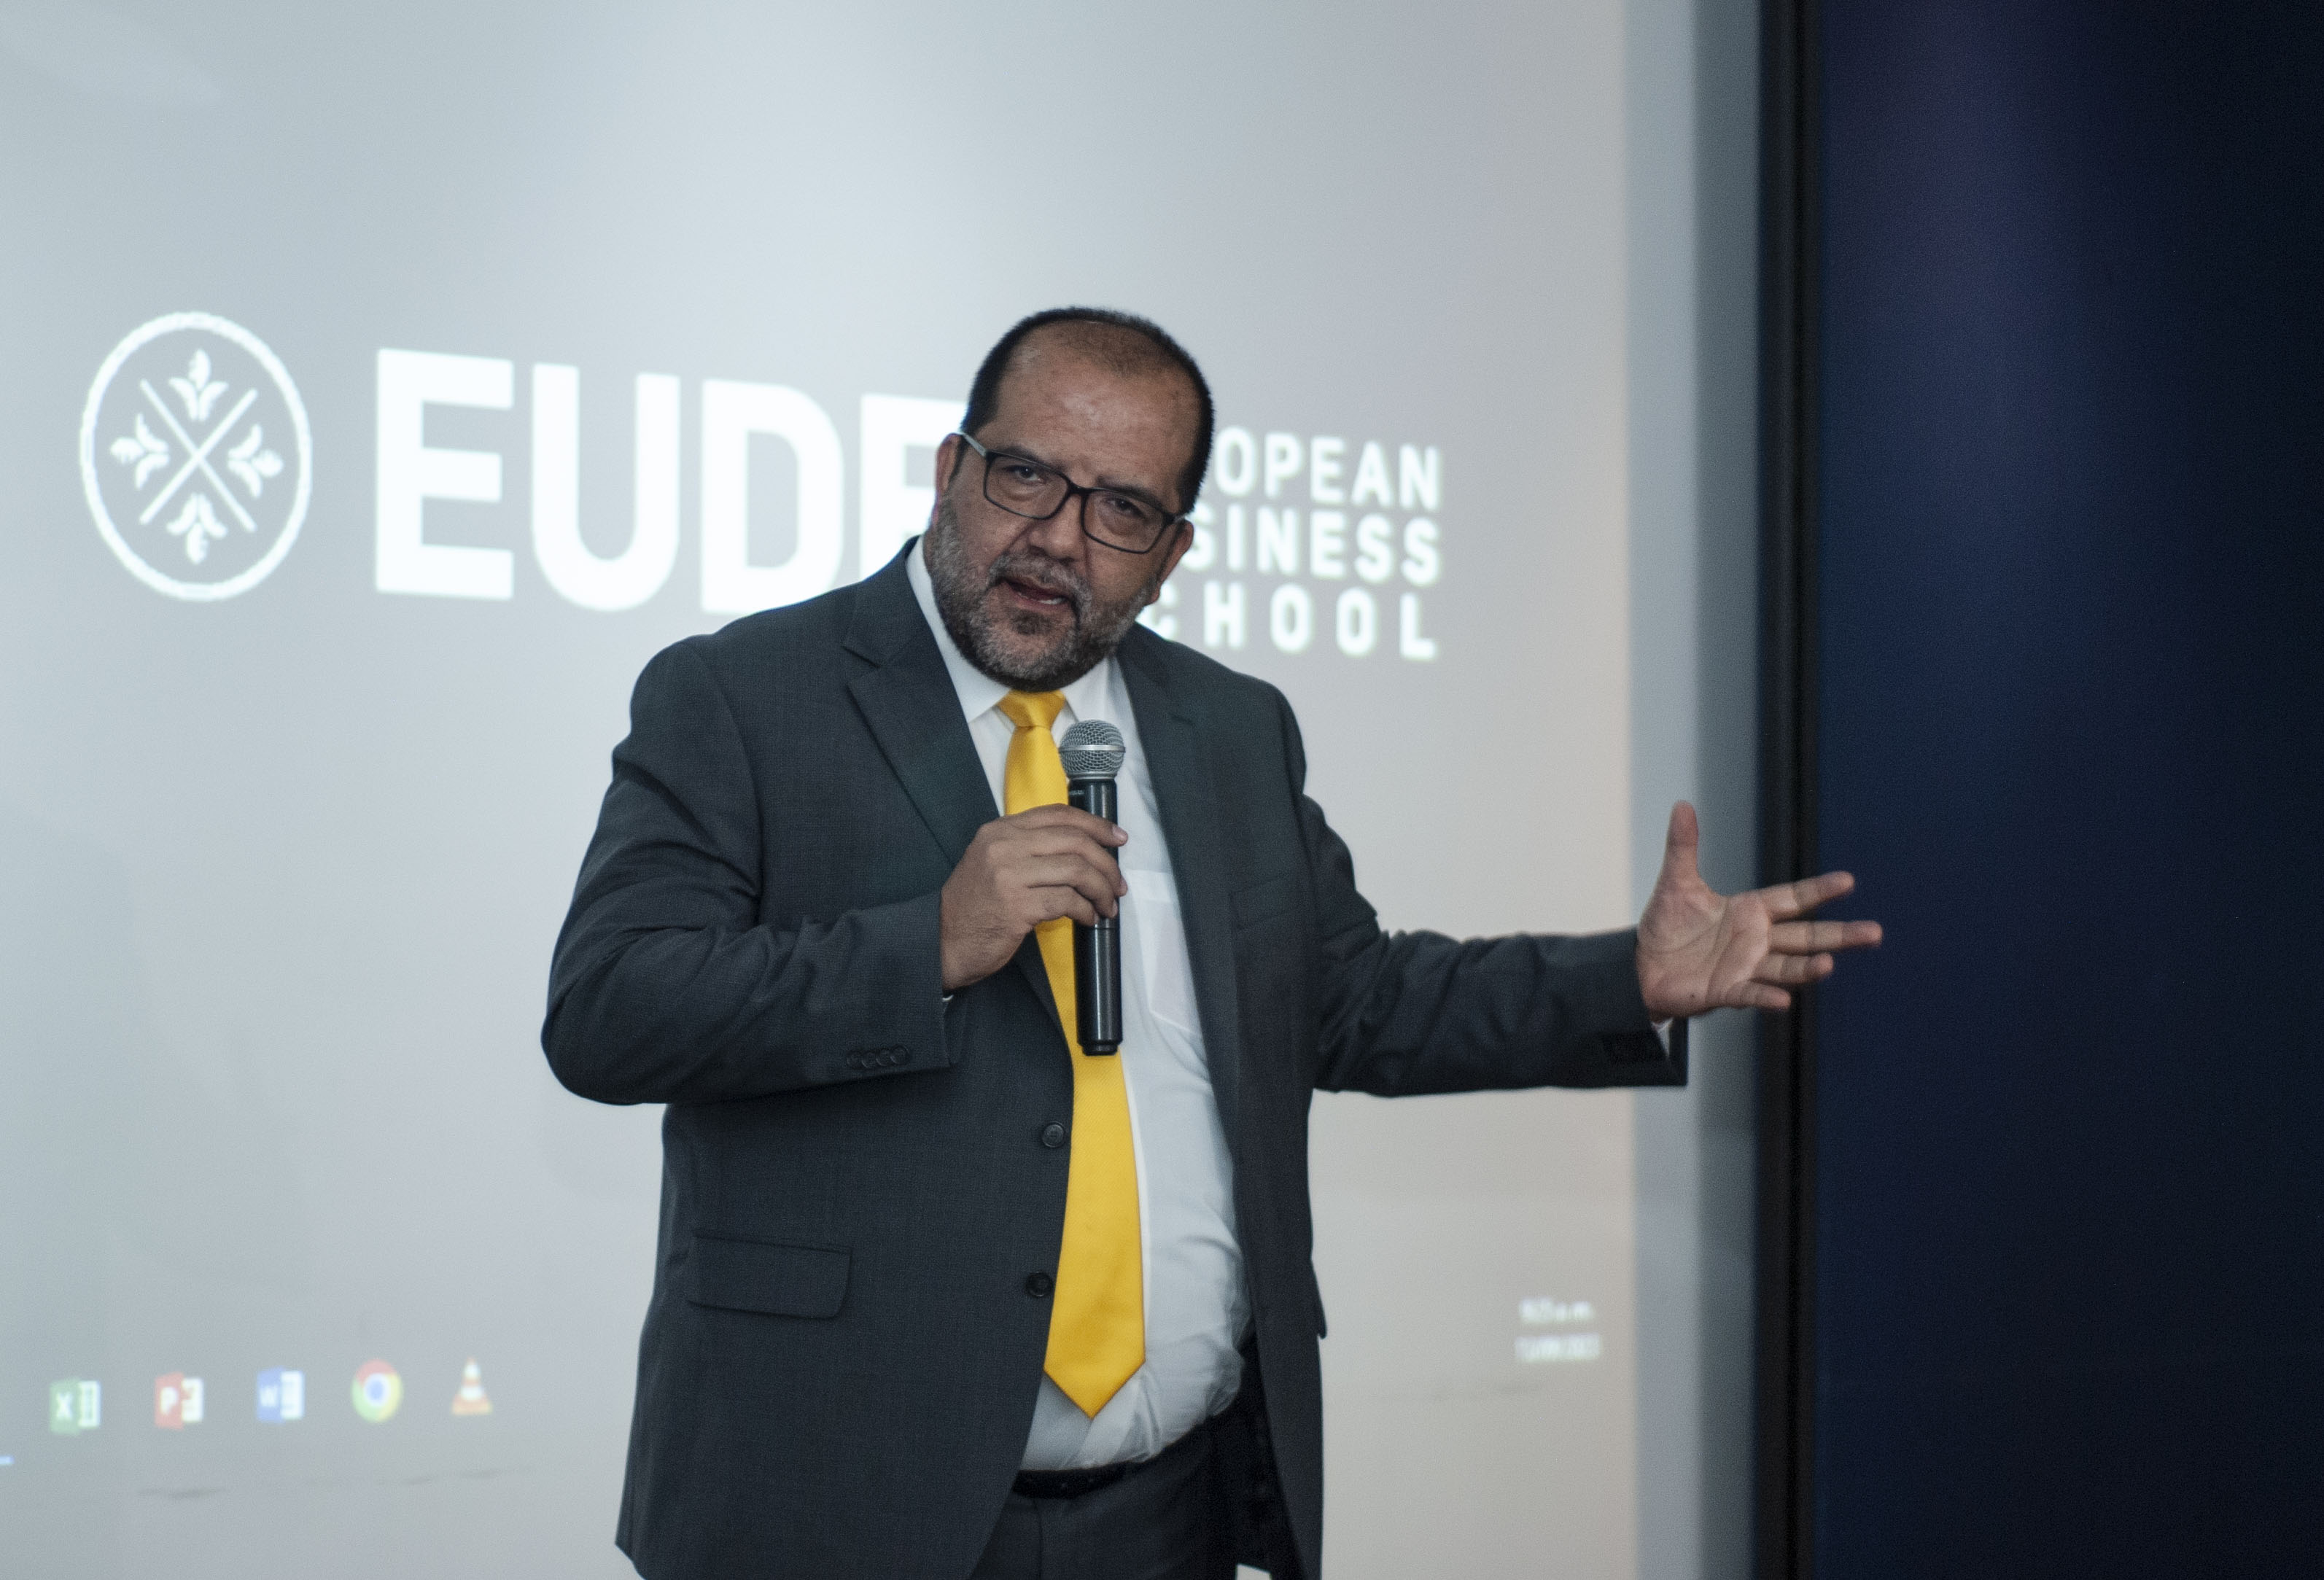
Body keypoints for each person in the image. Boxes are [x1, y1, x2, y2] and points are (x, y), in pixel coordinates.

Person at [543, 307, 1880, 1580]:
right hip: (836, 1502)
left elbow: (1353, 1000)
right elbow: (608, 1009)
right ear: (951, 471)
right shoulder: (743, 695)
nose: (1058, 539)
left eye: (1121, 509)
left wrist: (1627, 980)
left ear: (1172, 552)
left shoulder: (1229, 729)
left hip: (1164, 1512)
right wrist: (931, 943)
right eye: (1026, 477)